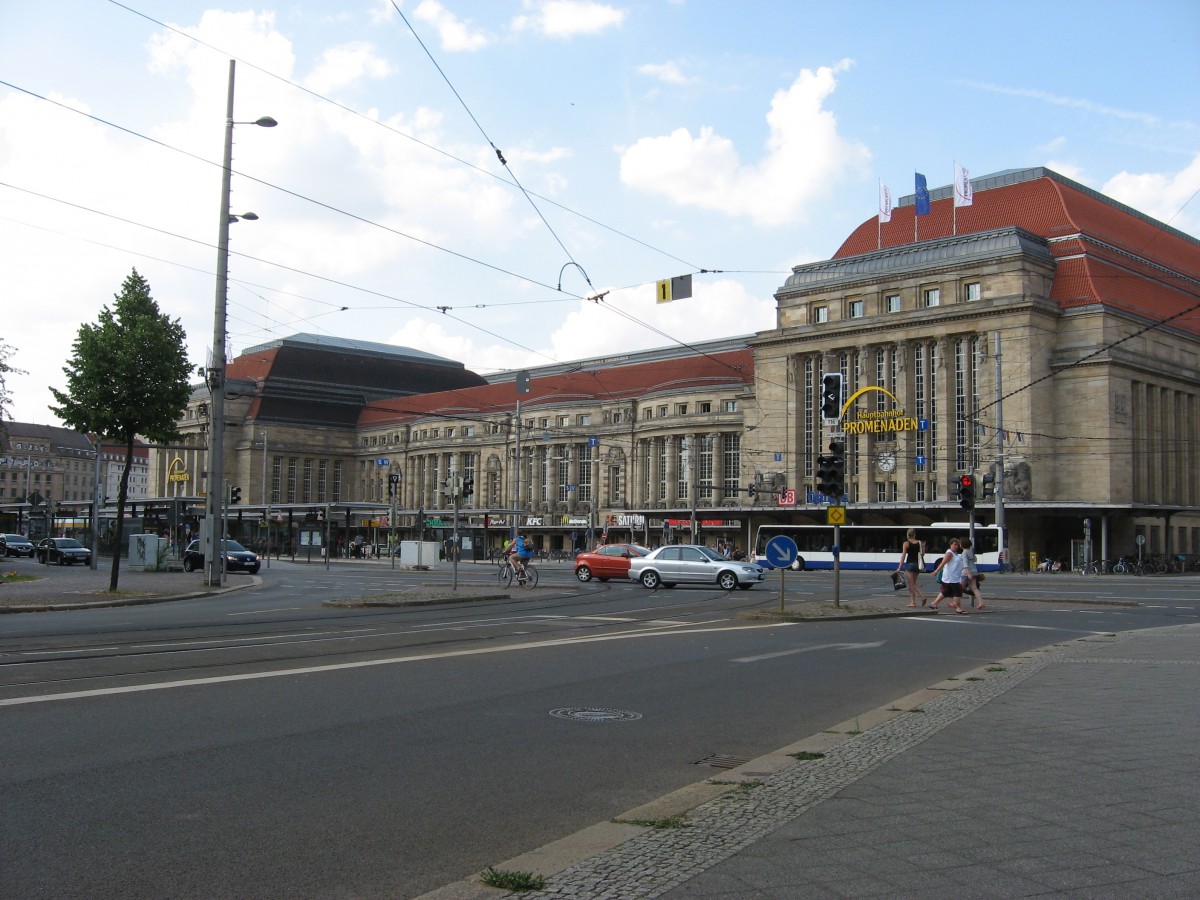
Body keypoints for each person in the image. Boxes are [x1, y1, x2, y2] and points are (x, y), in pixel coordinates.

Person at [929, 538, 967, 613]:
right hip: (951, 576)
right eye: (954, 545)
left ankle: (934, 604)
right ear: (950, 545)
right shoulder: (949, 553)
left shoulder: (955, 553)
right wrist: (936, 571)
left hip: (954, 576)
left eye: (957, 545)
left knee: (946, 591)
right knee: (957, 592)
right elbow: (943, 563)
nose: (956, 546)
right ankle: (958, 608)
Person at [895, 528, 929, 607]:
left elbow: (903, 556)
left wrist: (899, 567)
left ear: (907, 535)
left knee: (912, 583)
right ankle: (913, 602)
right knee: (913, 583)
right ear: (914, 535)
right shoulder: (919, 542)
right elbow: (923, 554)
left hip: (909, 564)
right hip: (918, 565)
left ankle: (922, 596)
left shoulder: (906, 543)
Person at [959, 537, 985, 609]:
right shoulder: (971, 551)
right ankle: (981, 602)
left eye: (960, 543)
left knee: (959, 588)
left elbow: (965, 564)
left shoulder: (964, 553)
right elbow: (974, 560)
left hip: (966, 573)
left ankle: (956, 603)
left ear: (962, 544)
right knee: (974, 588)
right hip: (974, 571)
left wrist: (968, 574)